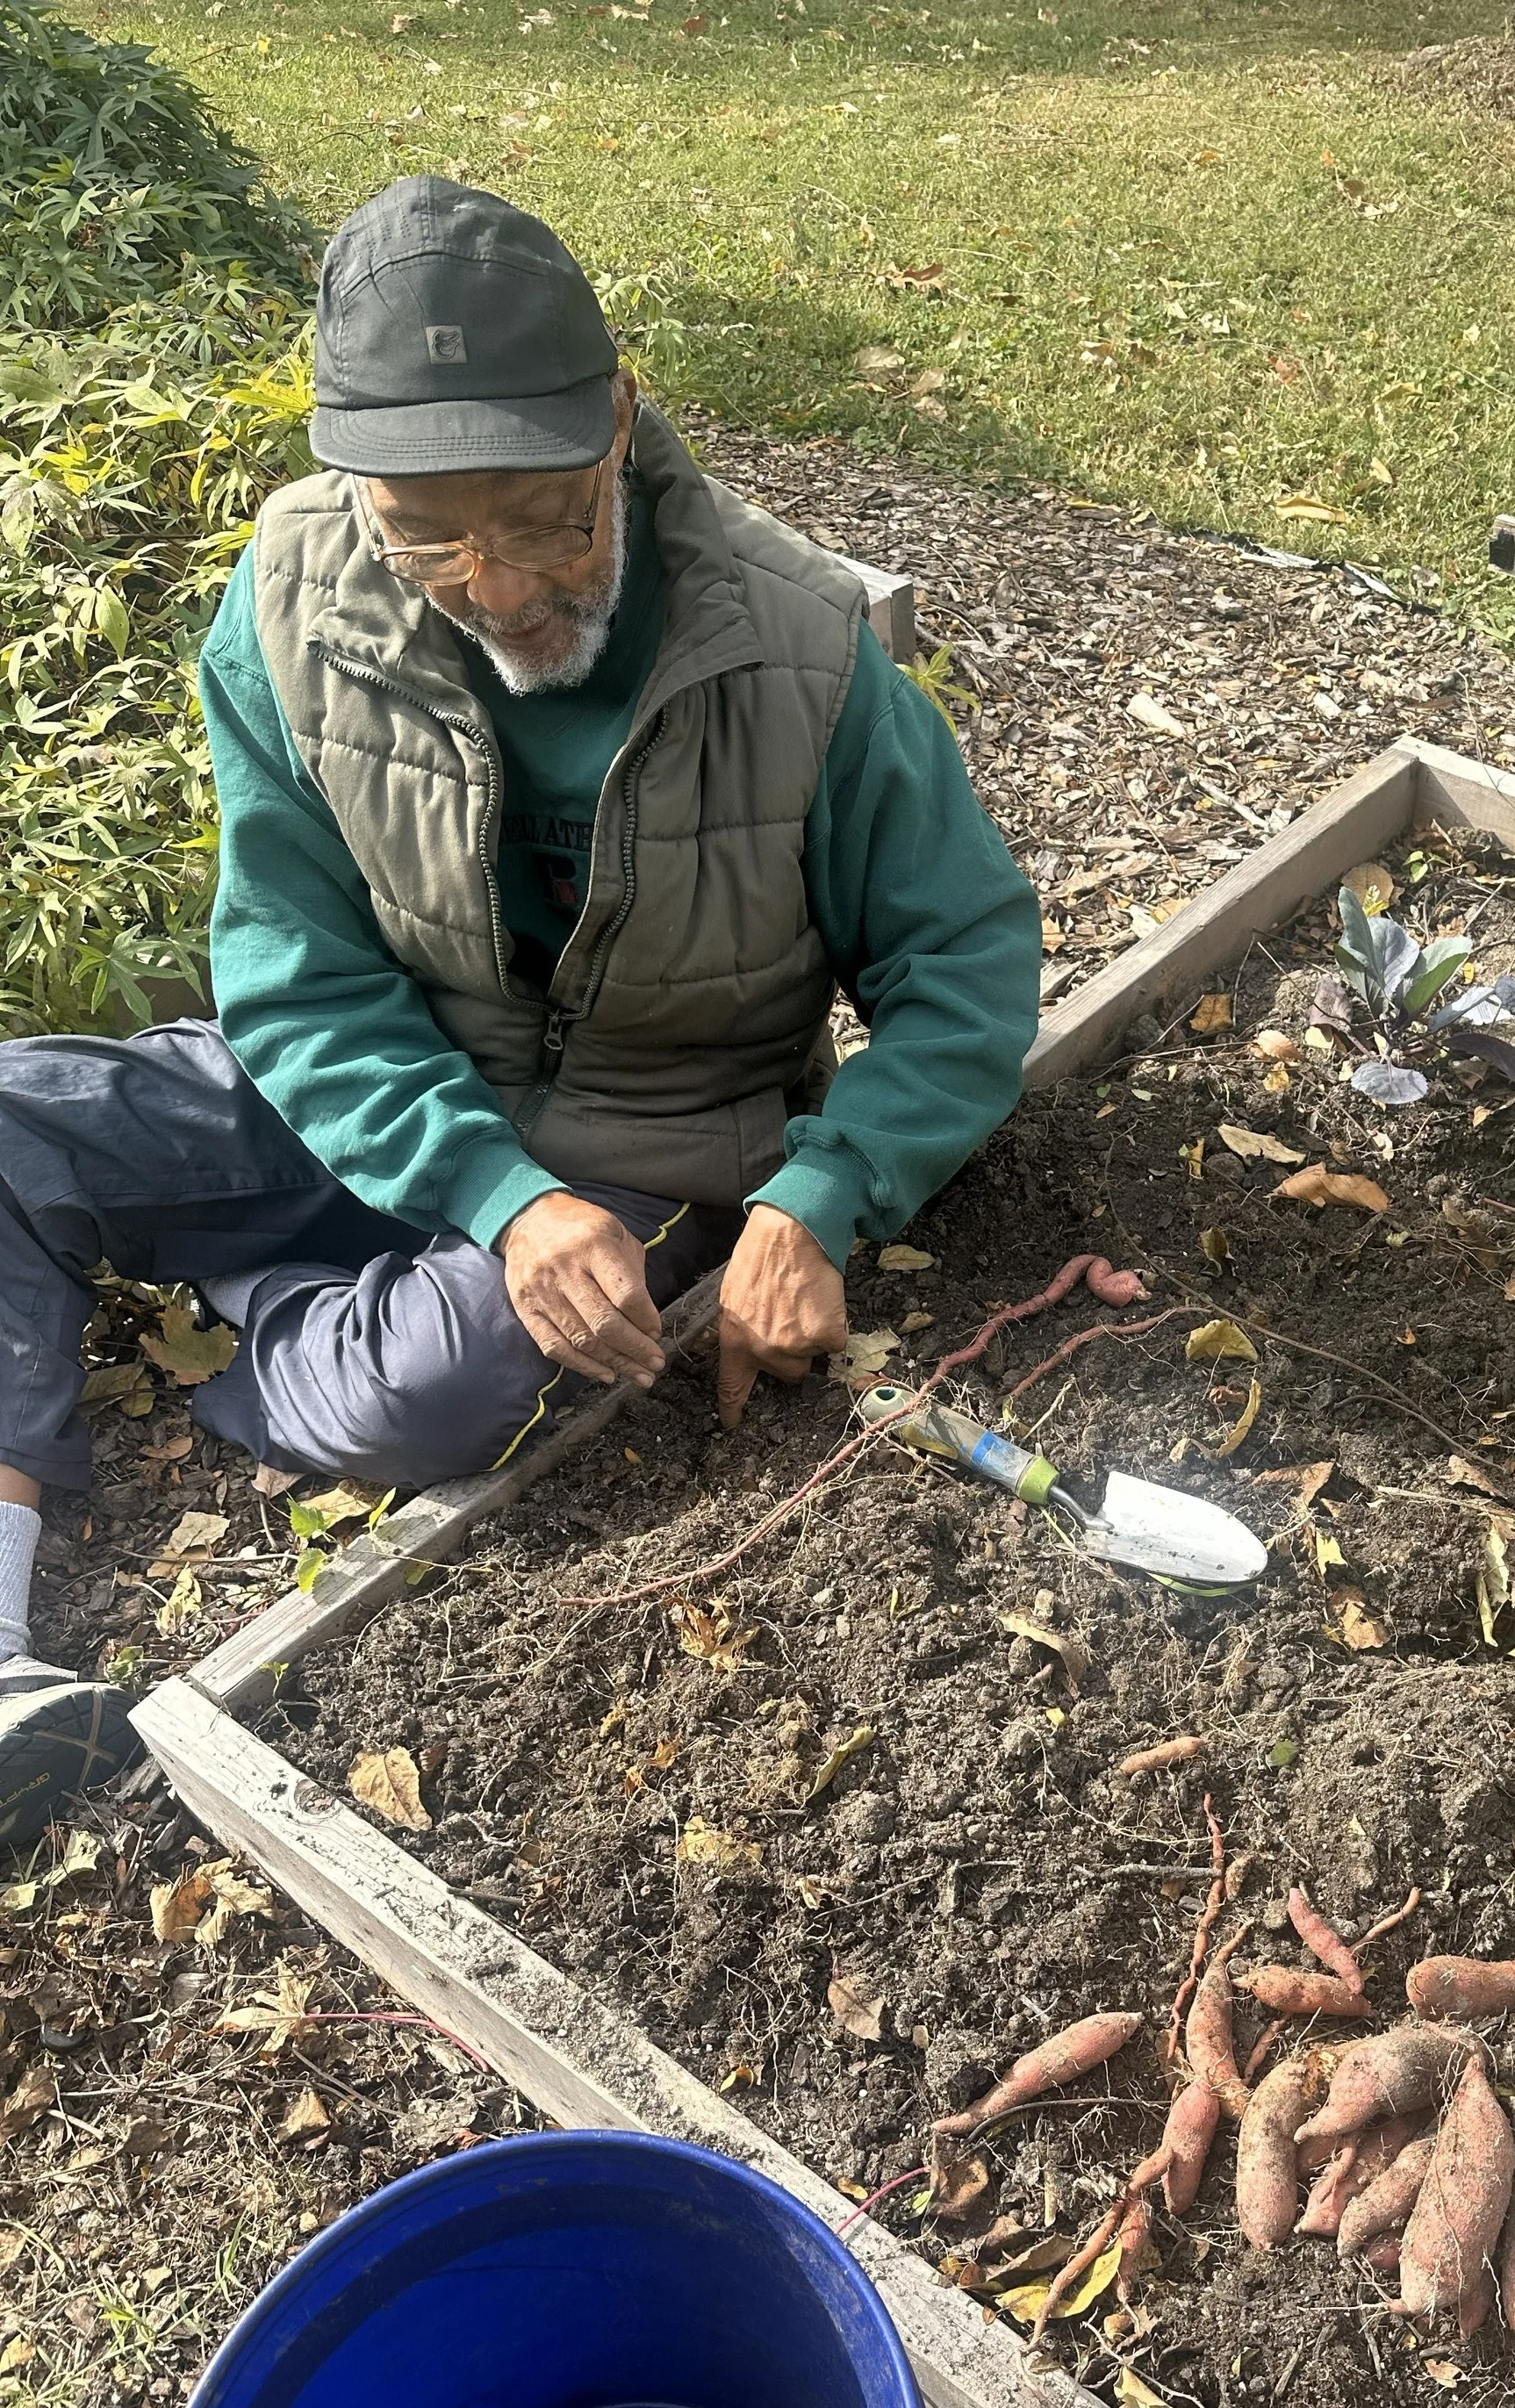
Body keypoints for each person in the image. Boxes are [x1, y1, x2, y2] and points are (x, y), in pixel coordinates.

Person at [0, 178, 1040, 1844]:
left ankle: (268, 1288)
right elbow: (299, 969)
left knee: (442, 1389)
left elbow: (969, 963)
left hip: (643, 1125)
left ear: (619, 422)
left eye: (548, 516)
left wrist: (822, 1193)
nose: (494, 584)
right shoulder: (288, 604)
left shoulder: (801, 653)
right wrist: (491, 1193)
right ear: (357, 488)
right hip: (374, 1077)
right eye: (428, 535)